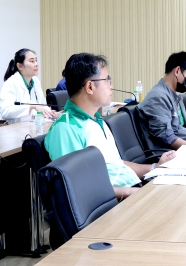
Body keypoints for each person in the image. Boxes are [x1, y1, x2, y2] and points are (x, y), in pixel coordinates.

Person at [45, 53, 176, 201]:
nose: (111, 86)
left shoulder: (96, 121)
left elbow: (116, 165)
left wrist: (155, 168)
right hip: (110, 206)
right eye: (107, 80)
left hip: (128, 193)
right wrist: (134, 193)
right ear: (90, 86)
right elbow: (79, 188)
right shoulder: (66, 128)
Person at [138, 51, 186, 149]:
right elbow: (168, 138)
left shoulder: (176, 96)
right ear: (177, 71)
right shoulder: (158, 97)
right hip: (173, 153)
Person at [0, 48, 58, 124]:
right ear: (20, 66)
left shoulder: (35, 81)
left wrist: (50, 113)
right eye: (32, 61)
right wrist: (32, 107)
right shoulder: (10, 83)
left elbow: (42, 104)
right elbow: (6, 112)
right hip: (13, 128)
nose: (36, 64)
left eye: (36, 60)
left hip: (32, 125)